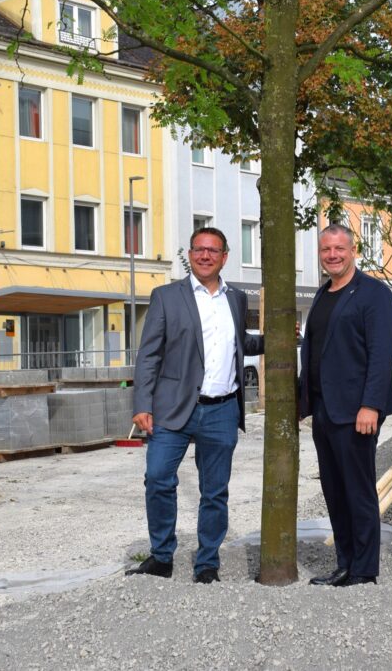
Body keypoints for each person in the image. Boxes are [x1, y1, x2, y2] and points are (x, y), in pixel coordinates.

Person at [127, 227, 263, 584]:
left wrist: (273, 339)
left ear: (224, 257)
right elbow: (149, 356)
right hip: (172, 407)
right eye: (198, 249)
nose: (204, 256)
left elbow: (239, 342)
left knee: (215, 491)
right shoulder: (167, 296)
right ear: (189, 254)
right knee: (157, 478)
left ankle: (207, 563)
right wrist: (142, 403)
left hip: (221, 410)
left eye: (212, 250)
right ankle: (161, 556)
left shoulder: (237, 299)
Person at [299, 223, 392, 587]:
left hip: (357, 409)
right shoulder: (324, 294)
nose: (332, 255)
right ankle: (345, 562)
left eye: (339, 249)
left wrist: (370, 404)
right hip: (325, 407)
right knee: (334, 489)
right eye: (326, 250)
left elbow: (381, 352)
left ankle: (364, 568)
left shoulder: (373, 294)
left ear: (353, 250)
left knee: (357, 488)